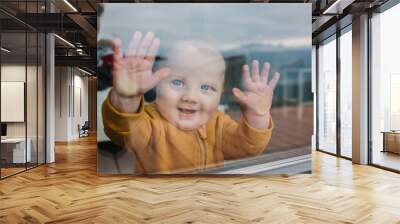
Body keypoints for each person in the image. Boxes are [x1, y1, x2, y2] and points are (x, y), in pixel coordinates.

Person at [102, 31, 280, 174]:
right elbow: (124, 130)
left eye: (205, 87)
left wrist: (258, 114)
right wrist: (127, 98)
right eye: (177, 82)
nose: (190, 97)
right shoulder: (150, 123)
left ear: (219, 95)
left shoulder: (218, 123)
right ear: (158, 85)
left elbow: (247, 146)